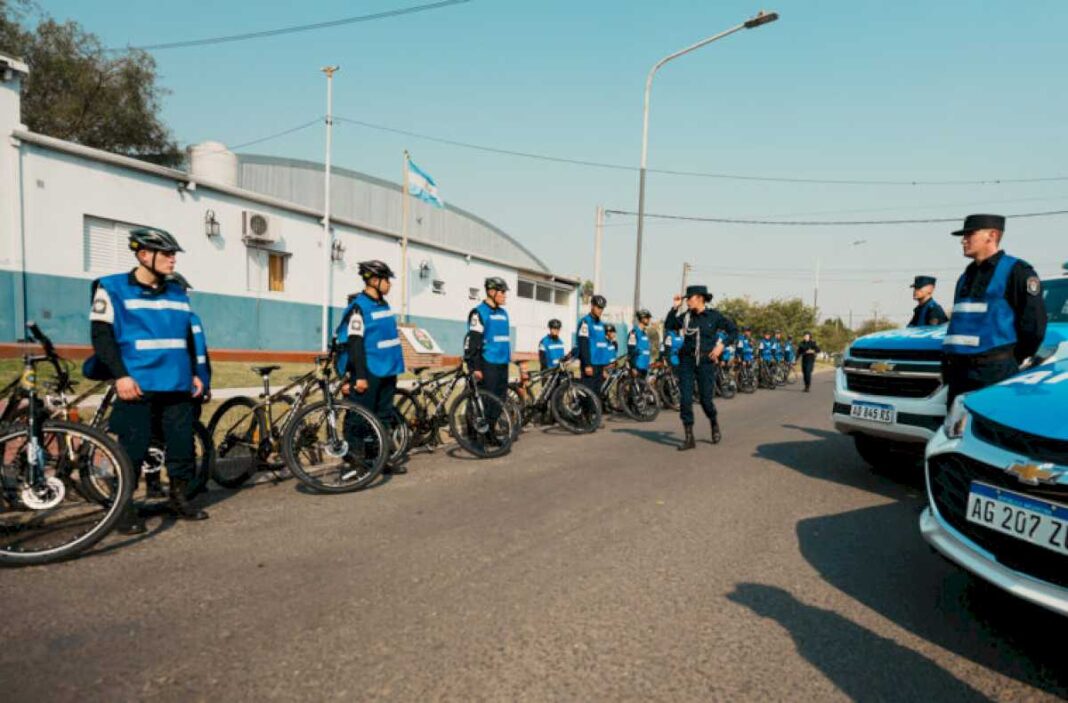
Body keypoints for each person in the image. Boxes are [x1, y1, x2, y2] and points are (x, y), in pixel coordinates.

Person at [88, 228, 208, 534]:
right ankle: (123, 509)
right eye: (167, 254)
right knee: (133, 449)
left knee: (182, 447)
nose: (173, 260)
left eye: (174, 255)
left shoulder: (178, 292)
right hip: (137, 384)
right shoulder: (111, 288)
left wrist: (196, 372)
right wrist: (120, 376)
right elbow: (102, 338)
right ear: (144, 255)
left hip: (178, 383)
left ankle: (179, 498)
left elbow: (188, 336)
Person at [942, 214, 1047, 405]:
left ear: (991, 235)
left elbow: (1034, 326)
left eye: (969, 234)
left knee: (990, 430)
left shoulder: (1017, 271)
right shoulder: (965, 276)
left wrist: (1008, 360)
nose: (963, 240)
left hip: (994, 372)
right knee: (956, 431)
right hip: (959, 373)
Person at [336, 260, 407, 476]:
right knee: (360, 418)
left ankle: (380, 459)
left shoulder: (382, 304)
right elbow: (355, 344)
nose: (390, 284)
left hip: (387, 370)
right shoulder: (359, 307)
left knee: (384, 417)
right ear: (374, 281)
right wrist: (359, 376)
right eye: (387, 280)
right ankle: (355, 462)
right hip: (368, 372)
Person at [664, 285, 738, 450]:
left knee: (705, 401)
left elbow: (733, 331)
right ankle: (689, 437)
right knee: (685, 399)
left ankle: (713, 421)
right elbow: (669, 325)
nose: (687, 301)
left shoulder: (714, 316)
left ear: (699, 298)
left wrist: (721, 346)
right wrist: (674, 308)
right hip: (687, 361)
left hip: (706, 362)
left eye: (689, 298)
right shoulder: (686, 317)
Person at [464, 277, 512, 426]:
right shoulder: (479, 313)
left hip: (502, 363)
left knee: (500, 401)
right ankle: (479, 436)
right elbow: (474, 342)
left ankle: (490, 431)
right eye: (502, 292)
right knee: (486, 402)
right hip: (488, 363)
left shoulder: (504, 313)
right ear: (491, 292)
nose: (505, 295)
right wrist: (475, 367)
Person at [577, 295, 613, 398]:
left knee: (597, 394)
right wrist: (587, 364)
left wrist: (606, 365)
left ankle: (593, 413)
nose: (600, 310)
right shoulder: (585, 322)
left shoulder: (601, 324)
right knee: (588, 393)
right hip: (590, 364)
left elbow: (602, 345)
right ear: (592, 306)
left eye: (602, 308)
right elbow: (583, 343)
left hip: (600, 365)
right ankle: (585, 413)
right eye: (598, 307)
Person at [627, 309, 653, 377]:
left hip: (644, 367)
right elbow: (631, 350)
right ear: (642, 318)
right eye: (647, 318)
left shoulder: (645, 333)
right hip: (637, 368)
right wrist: (633, 367)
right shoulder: (634, 333)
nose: (649, 320)